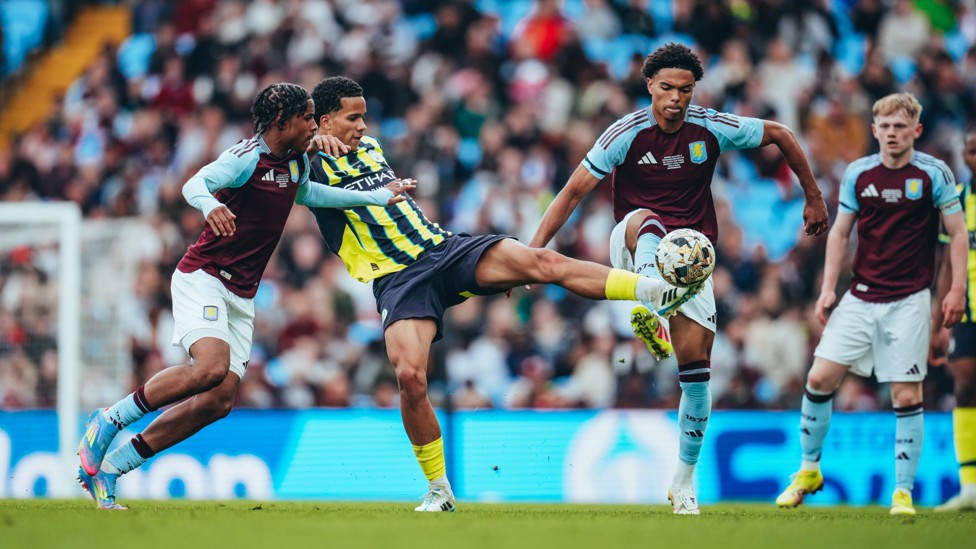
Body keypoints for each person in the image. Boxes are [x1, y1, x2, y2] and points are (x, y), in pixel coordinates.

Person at [306, 76, 693, 512]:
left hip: (444, 248)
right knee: (411, 378)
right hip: (399, 280)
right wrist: (311, 142)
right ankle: (438, 489)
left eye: (364, 116)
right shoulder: (307, 163)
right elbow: (277, 155)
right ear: (324, 121)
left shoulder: (370, 146)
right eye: (352, 117)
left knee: (540, 261)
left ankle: (654, 291)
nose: (362, 126)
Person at [76, 82, 414, 510]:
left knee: (217, 402)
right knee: (209, 369)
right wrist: (209, 206)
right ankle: (108, 420)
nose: (314, 125)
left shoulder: (295, 163)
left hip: (241, 293)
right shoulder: (245, 158)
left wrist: (375, 197)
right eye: (308, 118)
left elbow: (309, 194)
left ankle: (112, 470)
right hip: (205, 277)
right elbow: (195, 184)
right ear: (282, 122)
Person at [528, 42, 829, 515]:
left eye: (685, 89)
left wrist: (813, 196)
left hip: (691, 264)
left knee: (696, 377)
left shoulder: (710, 127)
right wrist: (534, 252)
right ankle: (650, 303)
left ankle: (683, 482)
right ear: (649, 86)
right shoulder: (624, 133)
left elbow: (782, 134)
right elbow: (571, 194)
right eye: (666, 87)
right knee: (647, 219)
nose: (676, 97)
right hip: (632, 246)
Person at [775, 93, 967, 516]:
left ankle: (902, 492)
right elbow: (841, 234)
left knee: (904, 394)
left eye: (901, 127)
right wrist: (828, 288)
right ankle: (808, 469)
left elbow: (957, 234)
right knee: (820, 376)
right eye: (886, 127)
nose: (893, 134)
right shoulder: (859, 174)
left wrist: (956, 291)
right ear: (875, 130)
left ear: (916, 131)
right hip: (860, 296)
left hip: (910, 300)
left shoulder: (934, 173)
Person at [932, 126, 976, 512]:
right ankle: (970, 486)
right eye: (970, 151)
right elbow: (946, 263)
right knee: (964, 387)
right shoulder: (957, 199)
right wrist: (937, 323)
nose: (973, 158)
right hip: (967, 309)